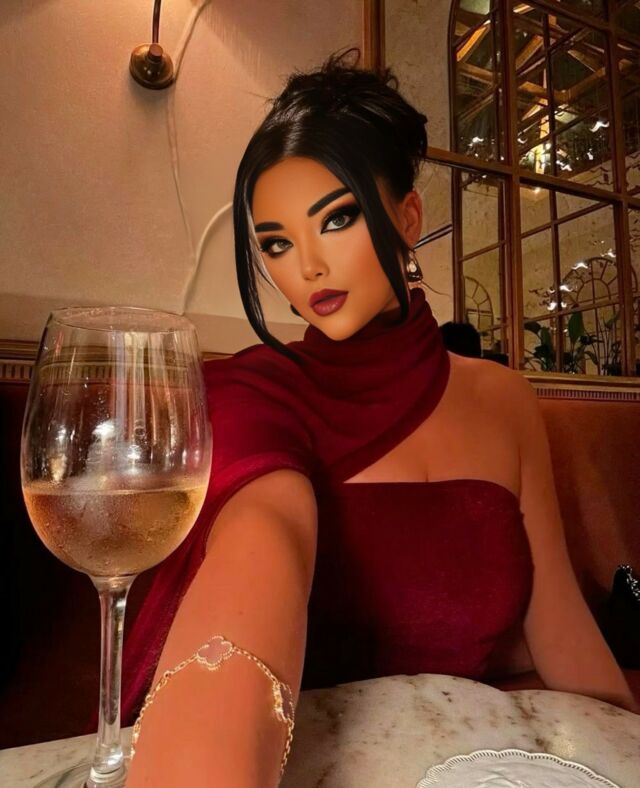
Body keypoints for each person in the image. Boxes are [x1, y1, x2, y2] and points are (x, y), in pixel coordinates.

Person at [124, 49, 637, 787]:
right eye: (276, 243)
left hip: (485, 765)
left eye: (337, 218)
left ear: (408, 216)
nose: (307, 266)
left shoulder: (504, 399)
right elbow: (260, 547)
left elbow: (561, 627)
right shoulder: (252, 398)